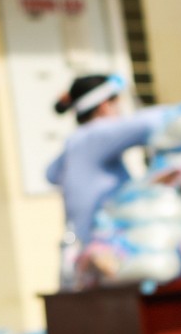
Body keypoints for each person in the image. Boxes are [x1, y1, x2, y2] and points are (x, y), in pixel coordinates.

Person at [45, 73, 166, 286]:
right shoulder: (96, 134)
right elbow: (147, 124)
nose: (120, 112)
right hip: (106, 256)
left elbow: (50, 174)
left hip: (81, 256)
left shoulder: (75, 142)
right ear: (103, 106)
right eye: (116, 103)